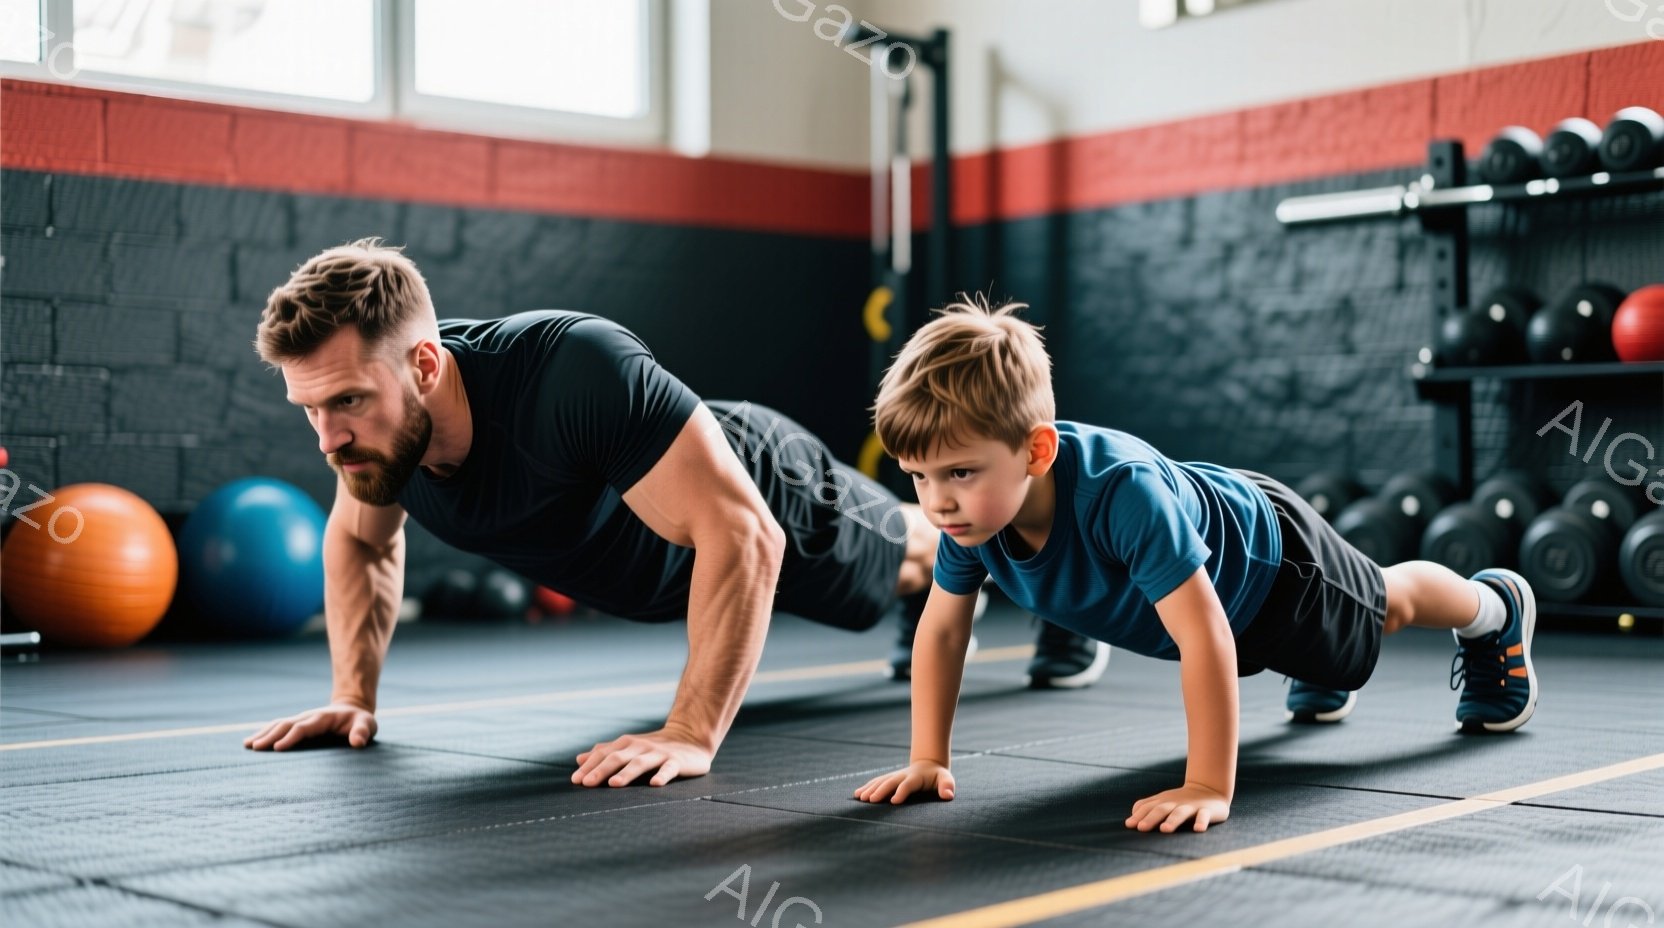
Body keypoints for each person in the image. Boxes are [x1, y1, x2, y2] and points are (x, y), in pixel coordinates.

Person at [236, 240, 1097, 787]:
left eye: (345, 400)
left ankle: (1064, 588)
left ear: (425, 365)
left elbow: (744, 531)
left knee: (918, 546)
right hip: (667, 565)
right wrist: (353, 695)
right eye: (308, 408)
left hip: (766, 492)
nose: (327, 437)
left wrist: (690, 731)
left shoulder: (572, 371)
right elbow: (359, 543)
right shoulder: (376, 436)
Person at [851, 297, 1538, 833]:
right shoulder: (970, 517)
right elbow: (941, 631)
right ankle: (1312, 664)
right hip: (1225, 586)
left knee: (1387, 607)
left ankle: (1495, 608)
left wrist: (1208, 783)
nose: (937, 502)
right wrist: (927, 759)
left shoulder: (1122, 496)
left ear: (1036, 453)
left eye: (959, 473)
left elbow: (1203, 633)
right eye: (917, 478)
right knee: (1311, 660)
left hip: (1277, 565)